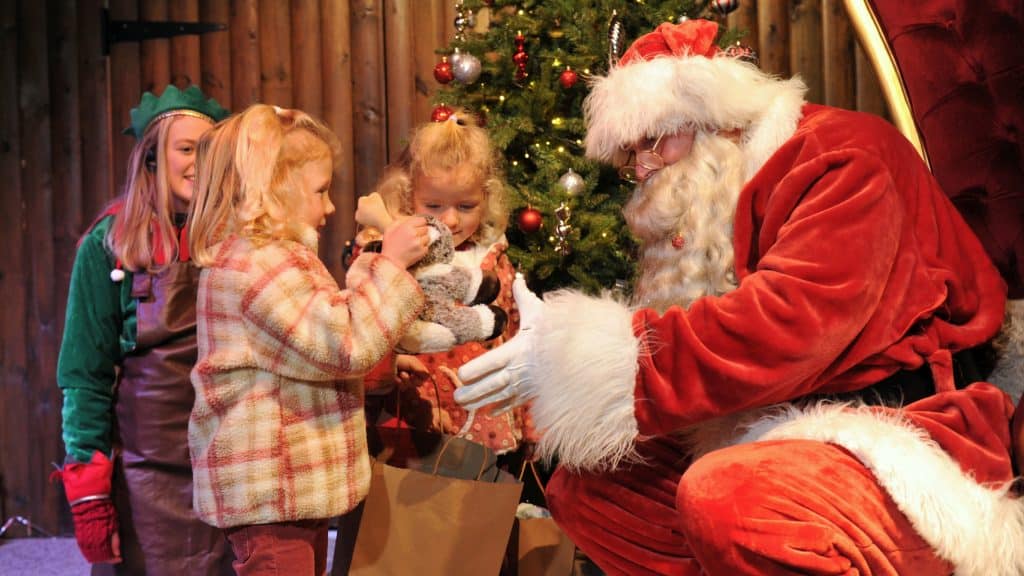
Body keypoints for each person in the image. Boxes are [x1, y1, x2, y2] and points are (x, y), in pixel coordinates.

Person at [455, 19, 1023, 576]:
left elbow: (791, 324)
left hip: (899, 424)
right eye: (630, 157)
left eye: (655, 140)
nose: (646, 166)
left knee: (724, 497)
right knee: (588, 494)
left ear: (715, 117)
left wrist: (602, 356)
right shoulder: (719, 187)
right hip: (770, 418)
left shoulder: (843, 154)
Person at [186, 104, 429, 575]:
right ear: (274, 192)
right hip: (272, 491)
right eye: (320, 191)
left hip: (287, 494)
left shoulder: (270, 258)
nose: (330, 207)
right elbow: (341, 345)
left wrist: (381, 367)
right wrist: (392, 265)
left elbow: (302, 349)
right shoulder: (261, 264)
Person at [53, 85, 233, 575]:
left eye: (210, 149)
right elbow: (84, 373)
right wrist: (89, 493)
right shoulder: (108, 244)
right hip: (144, 476)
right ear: (152, 157)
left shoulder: (236, 240)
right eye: (187, 148)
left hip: (227, 464)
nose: (200, 162)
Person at [356, 109, 533, 456]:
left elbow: (519, 337)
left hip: (487, 421)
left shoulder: (494, 259)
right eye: (433, 205)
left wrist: (530, 421)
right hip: (412, 418)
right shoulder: (391, 254)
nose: (450, 220)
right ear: (408, 197)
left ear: (486, 199)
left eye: (466, 206)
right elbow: (367, 327)